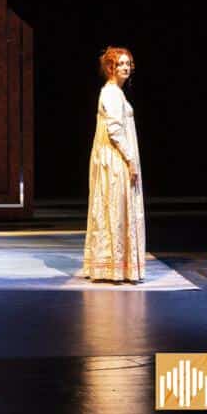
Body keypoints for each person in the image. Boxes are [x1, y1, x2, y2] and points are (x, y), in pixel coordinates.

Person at [80, 47, 145, 282]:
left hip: (113, 157)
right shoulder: (111, 93)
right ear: (111, 68)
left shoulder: (116, 92)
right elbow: (115, 130)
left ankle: (115, 267)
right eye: (121, 64)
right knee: (115, 209)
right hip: (115, 160)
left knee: (113, 209)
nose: (126, 67)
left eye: (128, 63)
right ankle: (113, 268)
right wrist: (130, 160)